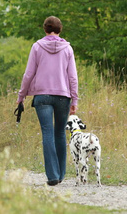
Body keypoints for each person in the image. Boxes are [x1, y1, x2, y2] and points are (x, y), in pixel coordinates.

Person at [16, 16, 78, 186]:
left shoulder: (37, 47)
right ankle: (61, 174)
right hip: (63, 97)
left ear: (44, 29)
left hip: (42, 97)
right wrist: (75, 99)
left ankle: (52, 176)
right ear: (60, 30)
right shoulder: (68, 49)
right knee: (59, 133)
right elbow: (72, 76)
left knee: (47, 133)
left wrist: (21, 96)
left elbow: (28, 74)